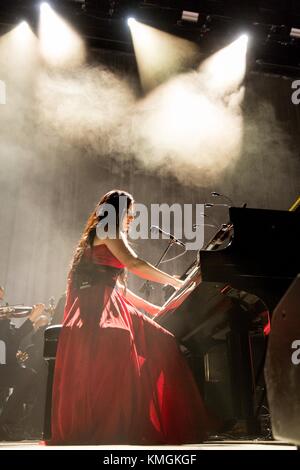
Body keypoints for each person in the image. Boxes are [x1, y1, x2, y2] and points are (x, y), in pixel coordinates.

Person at [50, 189, 215, 445]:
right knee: (132, 339)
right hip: (97, 309)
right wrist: (175, 283)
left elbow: (117, 291)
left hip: (109, 304)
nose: (131, 218)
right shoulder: (107, 229)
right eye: (129, 213)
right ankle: (128, 420)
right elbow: (134, 263)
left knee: (164, 340)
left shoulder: (106, 233)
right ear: (118, 211)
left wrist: (155, 309)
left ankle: (139, 416)